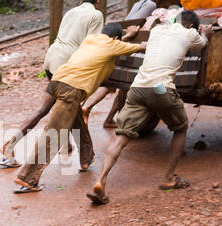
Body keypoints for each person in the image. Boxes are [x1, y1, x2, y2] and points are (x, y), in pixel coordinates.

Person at [86, 11, 213, 205]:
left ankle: (100, 181)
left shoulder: (157, 30)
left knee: (122, 137)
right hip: (160, 88)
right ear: (190, 26)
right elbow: (203, 43)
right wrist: (205, 33)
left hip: (137, 87)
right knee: (180, 128)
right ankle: (169, 178)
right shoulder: (189, 33)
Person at [14, 23, 146, 193]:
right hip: (72, 90)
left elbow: (112, 44)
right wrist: (133, 34)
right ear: (115, 38)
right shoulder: (113, 45)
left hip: (57, 81)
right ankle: (27, 177)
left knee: (79, 124)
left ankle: (86, 159)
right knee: (53, 134)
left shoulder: (91, 39)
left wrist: (124, 37)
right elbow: (141, 47)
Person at [0, 0, 104, 168]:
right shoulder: (96, 15)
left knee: (50, 109)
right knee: (65, 108)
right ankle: (84, 157)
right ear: (98, 1)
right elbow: (92, 46)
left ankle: (85, 157)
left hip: (52, 59)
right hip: (67, 65)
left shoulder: (71, 12)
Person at [81, 0, 158, 128]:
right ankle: (90, 108)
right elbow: (135, 28)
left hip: (120, 42)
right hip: (126, 46)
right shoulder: (151, 5)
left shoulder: (138, 4)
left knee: (117, 87)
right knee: (117, 87)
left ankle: (105, 116)